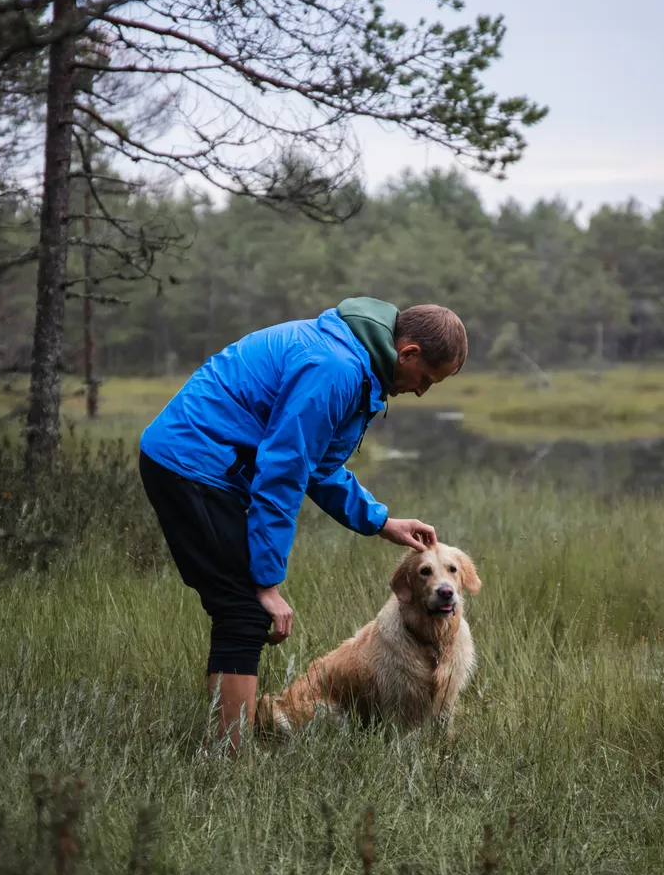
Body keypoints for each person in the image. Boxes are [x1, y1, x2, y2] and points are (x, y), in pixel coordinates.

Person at [139, 297, 468, 749]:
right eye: (427, 379)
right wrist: (267, 584)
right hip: (191, 464)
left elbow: (320, 466)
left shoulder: (356, 364)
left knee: (239, 609)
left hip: (202, 465)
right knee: (244, 608)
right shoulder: (334, 368)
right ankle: (230, 758)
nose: (421, 391)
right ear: (408, 353)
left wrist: (381, 521)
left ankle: (226, 745)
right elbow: (283, 473)